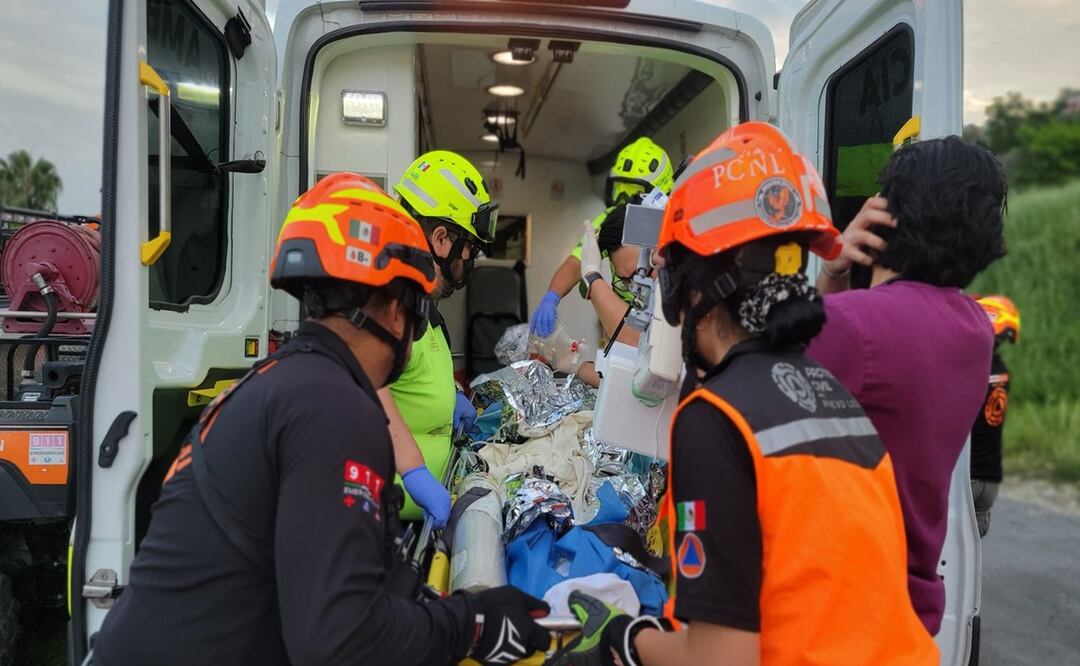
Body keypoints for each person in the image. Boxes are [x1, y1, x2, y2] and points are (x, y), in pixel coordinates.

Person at [90, 174, 549, 666]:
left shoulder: (281, 385)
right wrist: (473, 626)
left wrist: (445, 609)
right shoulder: (337, 412)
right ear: (397, 312)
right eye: (417, 311)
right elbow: (341, 642)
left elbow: (336, 584)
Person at [546, 123, 939, 666]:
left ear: (696, 283)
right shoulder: (829, 391)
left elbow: (720, 658)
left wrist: (626, 640)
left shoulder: (714, 418)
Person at [807, 136, 1007, 634]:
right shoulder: (974, 327)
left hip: (841, 609)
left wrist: (833, 265)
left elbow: (747, 383)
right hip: (906, 611)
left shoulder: (854, 327)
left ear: (888, 215)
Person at [381, 150, 499, 526]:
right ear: (441, 238)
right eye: (469, 249)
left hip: (415, 522)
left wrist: (451, 395)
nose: (469, 261)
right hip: (382, 520)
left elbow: (412, 375)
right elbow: (364, 387)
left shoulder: (424, 308)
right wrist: (415, 474)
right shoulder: (388, 305)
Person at [530, 137, 674, 349]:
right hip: (624, 313)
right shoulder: (612, 219)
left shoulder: (675, 224)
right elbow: (574, 263)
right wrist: (552, 297)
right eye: (620, 189)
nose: (624, 199)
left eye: (632, 191)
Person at [970, 294, 1020, 536]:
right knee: (973, 552)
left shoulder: (971, 369)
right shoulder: (1001, 371)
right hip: (989, 478)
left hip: (965, 477)